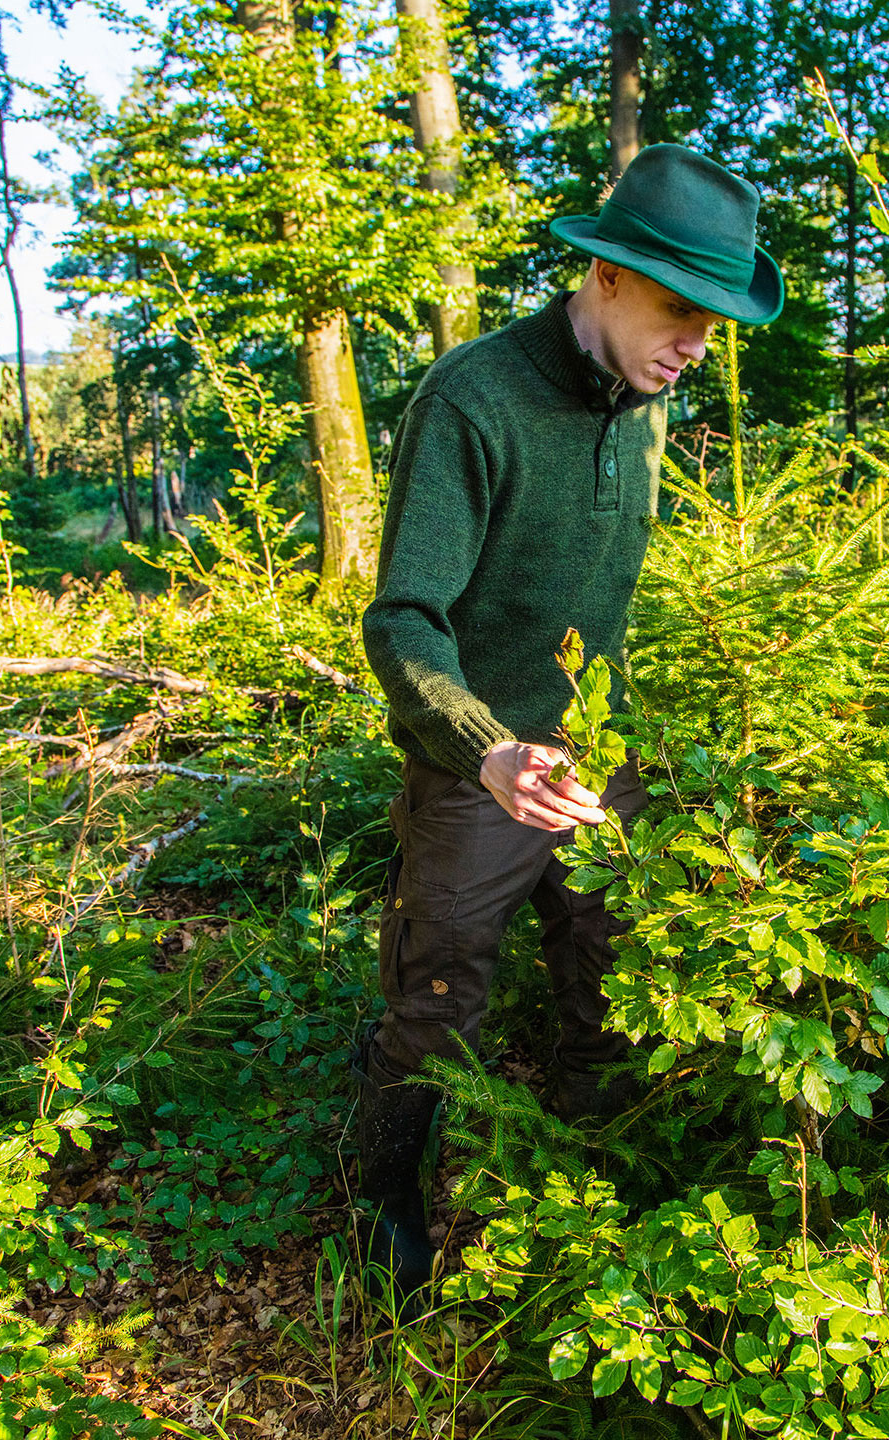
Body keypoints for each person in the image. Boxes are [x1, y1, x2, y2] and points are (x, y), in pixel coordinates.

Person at [353, 143, 785, 1308]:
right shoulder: (472, 400)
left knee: (613, 975)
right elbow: (402, 617)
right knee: (438, 1001)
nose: (696, 345)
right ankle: (384, 1200)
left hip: (600, 757)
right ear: (606, 275)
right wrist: (483, 748)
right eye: (680, 312)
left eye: (713, 324)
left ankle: (591, 1182)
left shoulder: (646, 402)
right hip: (476, 768)